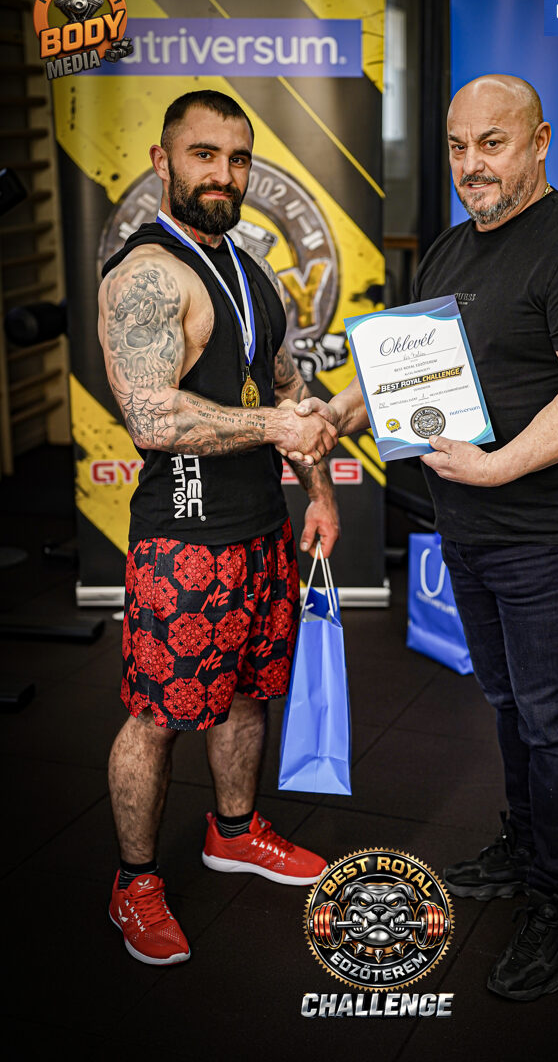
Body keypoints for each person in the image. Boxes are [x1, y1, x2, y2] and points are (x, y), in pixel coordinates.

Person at [292, 75, 558, 1001]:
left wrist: (495, 468)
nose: (471, 164)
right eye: (457, 146)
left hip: (545, 535)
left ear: (540, 141)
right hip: (469, 529)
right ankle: (526, 848)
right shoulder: (449, 249)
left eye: (493, 143)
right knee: (508, 703)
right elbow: (401, 370)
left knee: (553, 718)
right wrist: (335, 412)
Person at [98, 90, 340, 967]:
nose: (223, 175)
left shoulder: (251, 266)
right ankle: (134, 883)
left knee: (245, 692)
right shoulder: (148, 274)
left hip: (261, 530)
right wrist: (276, 427)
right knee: (157, 718)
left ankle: (233, 831)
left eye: (238, 159)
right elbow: (152, 417)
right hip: (183, 541)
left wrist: (320, 492)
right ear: (163, 161)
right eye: (204, 155)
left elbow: (287, 388)